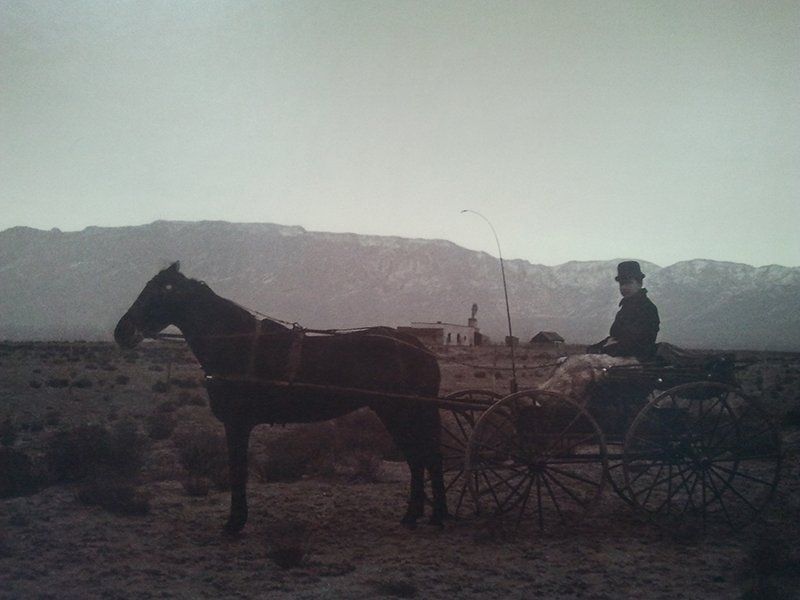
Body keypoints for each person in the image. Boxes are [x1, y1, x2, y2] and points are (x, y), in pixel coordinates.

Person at [587, 260, 660, 361]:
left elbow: (636, 343)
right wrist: (595, 348)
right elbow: (615, 337)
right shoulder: (626, 308)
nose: (624, 287)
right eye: (621, 284)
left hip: (635, 361)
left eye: (629, 283)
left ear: (640, 283)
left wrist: (604, 349)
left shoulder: (646, 308)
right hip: (620, 356)